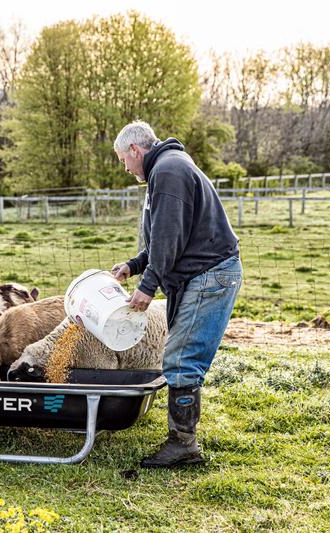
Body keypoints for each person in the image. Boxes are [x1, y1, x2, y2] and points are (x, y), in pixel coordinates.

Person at [111, 120, 242, 468]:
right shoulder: (167, 169)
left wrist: (147, 287)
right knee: (181, 354)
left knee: (182, 358)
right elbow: (166, 239)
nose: (125, 168)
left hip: (209, 274)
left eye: (124, 159)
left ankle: (183, 445)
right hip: (202, 272)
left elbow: (169, 242)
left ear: (135, 150)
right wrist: (133, 265)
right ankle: (182, 439)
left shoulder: (167, 172)